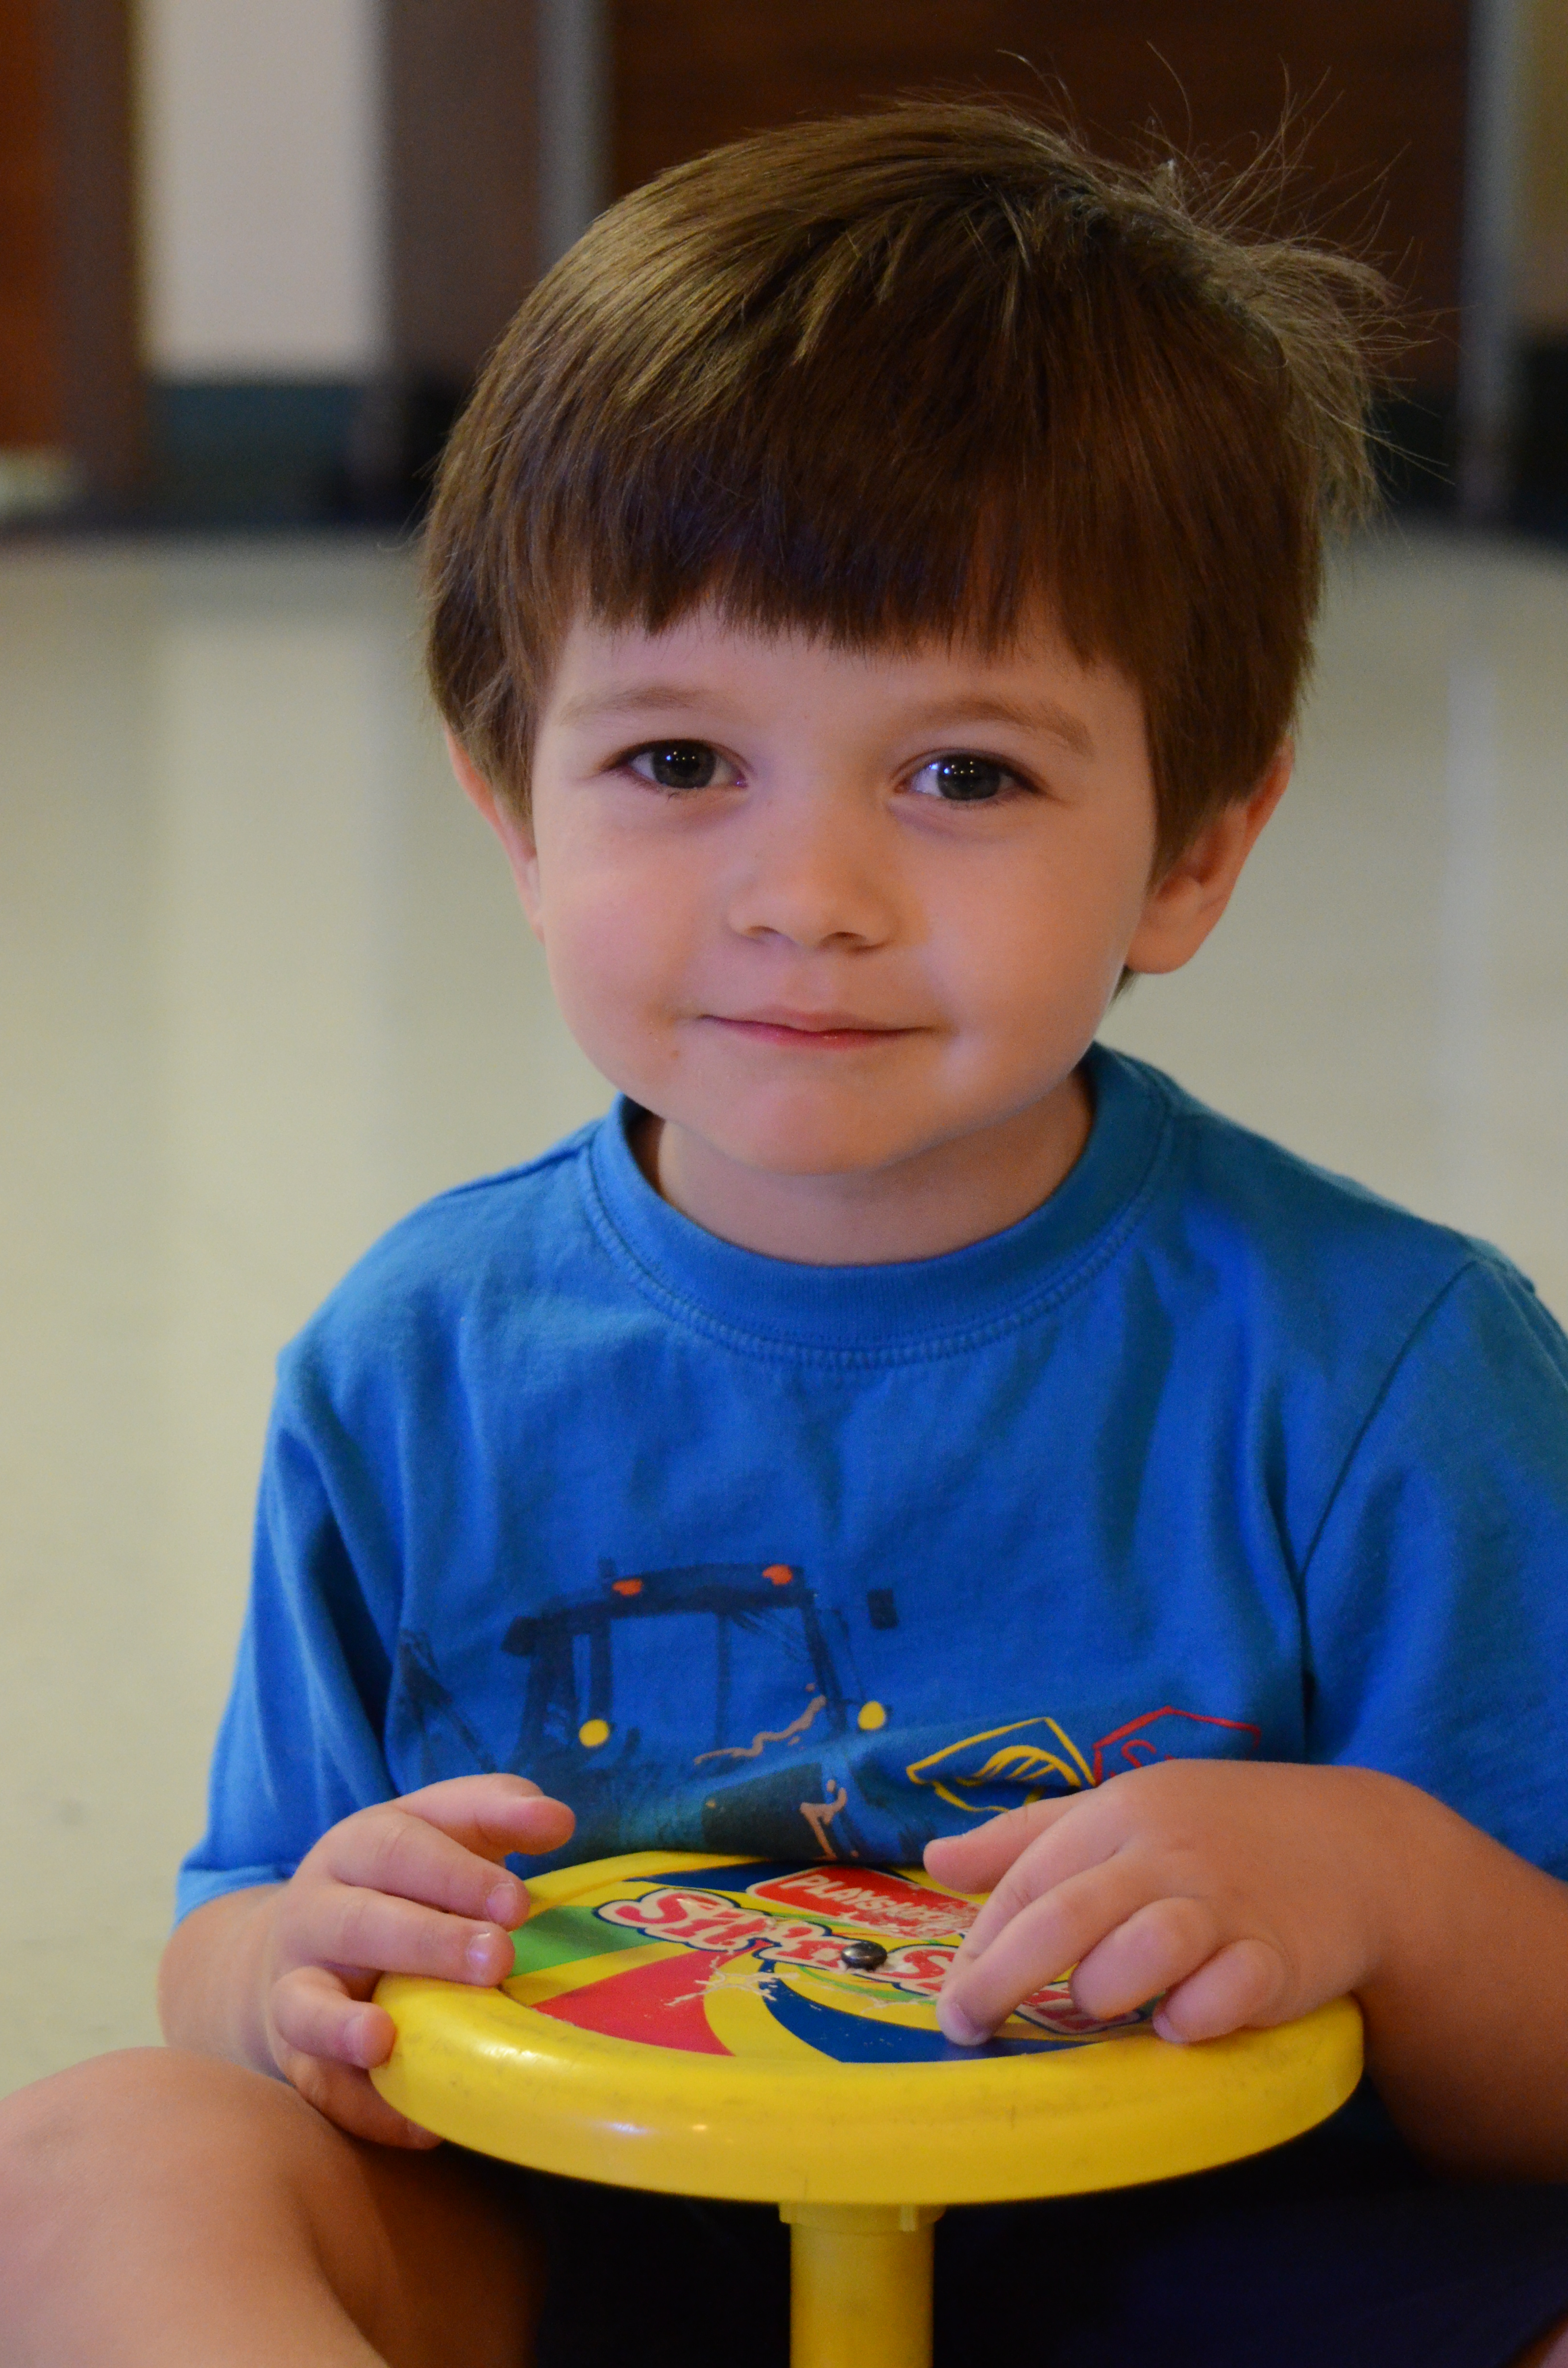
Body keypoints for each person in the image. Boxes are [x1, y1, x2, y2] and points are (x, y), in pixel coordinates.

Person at [3, 98, 1568, 2368]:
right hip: (590, 2254)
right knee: (84, 2166)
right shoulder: (415, 1359)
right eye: (676, 764)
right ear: (513, 805)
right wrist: (287, 1969)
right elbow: (243, 1922)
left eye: (963, 773)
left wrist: (1393, 1893)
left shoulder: (1389, 1372)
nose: (806, 894)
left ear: (1196, 849)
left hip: (1235, 2279)